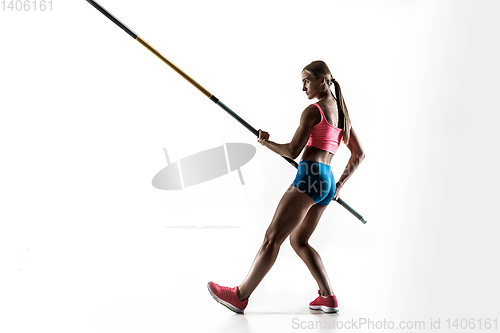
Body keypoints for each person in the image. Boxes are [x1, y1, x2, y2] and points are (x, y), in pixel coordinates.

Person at [207, 60, 365, 314]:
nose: (303, 87)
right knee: (299, 240)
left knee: (272, 238)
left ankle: (239, 296)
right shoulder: (341, 114)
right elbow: (358, 154)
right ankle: (327, 297)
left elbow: (292, 151)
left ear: (322, 80)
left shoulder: (314, 111)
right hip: (326, 181)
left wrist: (266, 142)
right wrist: (339, 186)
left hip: (309, 178)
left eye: (306, 80)